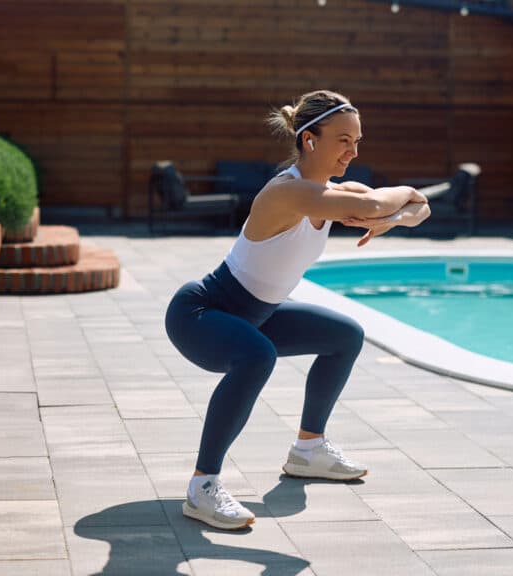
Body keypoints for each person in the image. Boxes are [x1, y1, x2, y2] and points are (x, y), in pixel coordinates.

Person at [165, 90, 432, 530]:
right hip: (201, 314)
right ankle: (202, 486)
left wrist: (394, 218)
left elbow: (420, 206)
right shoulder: (287, 192)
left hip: (259, 313)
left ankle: (308, 451)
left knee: (345, 335)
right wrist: (392, 202)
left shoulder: (332, 191)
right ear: (310, 139)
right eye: (344, 139)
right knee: (256, 356)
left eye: (358, 140)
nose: (354, 151)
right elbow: (384, 201)